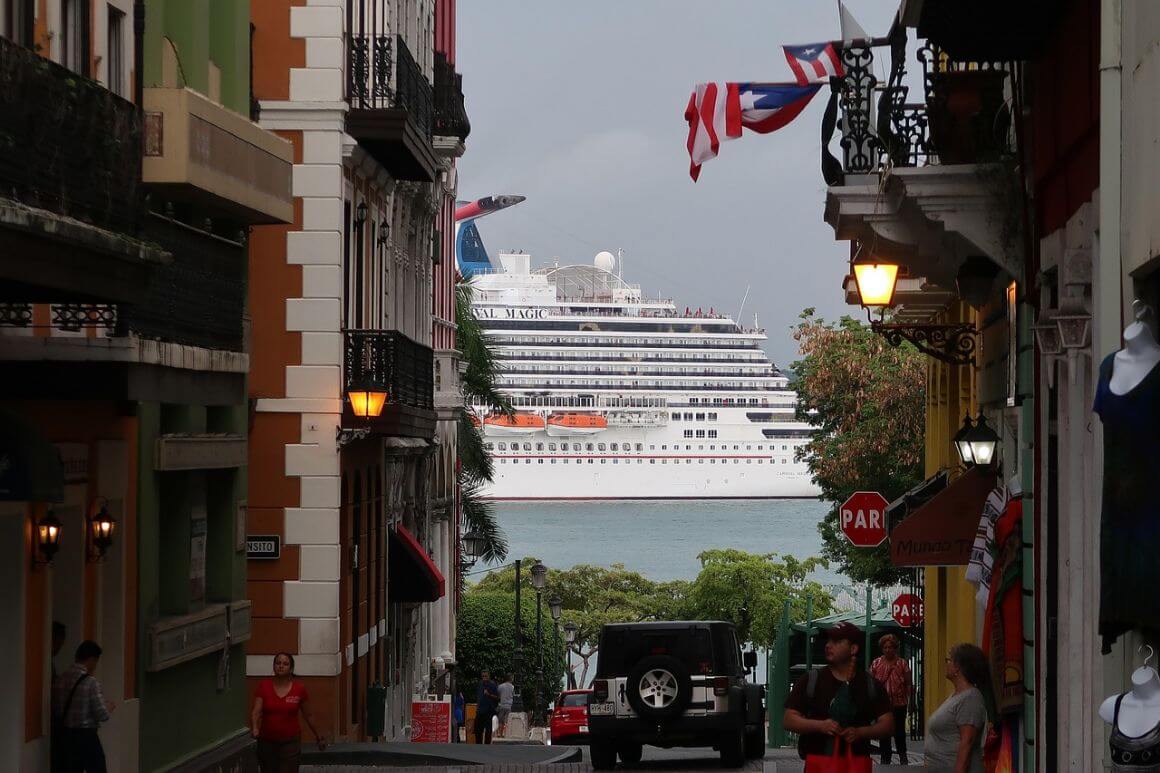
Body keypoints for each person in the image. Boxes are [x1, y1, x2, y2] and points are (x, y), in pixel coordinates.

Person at [783, 622, 894, 763]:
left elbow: (888, 725)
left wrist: (860, 732)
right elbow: (789, 720)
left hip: (855, 765)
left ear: (853, 648)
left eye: (837, 641)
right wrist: (821, 726)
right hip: (819, 766)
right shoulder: (811, 680)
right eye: (828, 641)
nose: (828, 645)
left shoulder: (869, 684)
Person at [250, 652, 326, 773]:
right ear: (273, 666)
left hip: (290, 742)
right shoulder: (264, 686)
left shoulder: (299, 689)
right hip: (267, 741)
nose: (281, 666)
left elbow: (309, 715)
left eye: (285, 664)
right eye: (278, 663)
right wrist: (254, 727)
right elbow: (256, 711)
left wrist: (318, 736)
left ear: (290, 669)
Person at [924, 643, 989, 773]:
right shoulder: (956, 696)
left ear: (958, 667)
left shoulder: (971, 698)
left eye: (949, 660)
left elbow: (967, 742)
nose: (946, 664)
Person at [53, 640, 114, 773]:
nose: (95, 666)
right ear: (92, 660)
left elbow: (57, 710)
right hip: (87, 737)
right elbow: (102, 715)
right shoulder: (91, 683)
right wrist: (109, 706)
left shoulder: (60, 679)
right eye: (96, 662)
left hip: (66, 737)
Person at [870, 633, 913, 765]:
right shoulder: (876, 663)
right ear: (882, 649)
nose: (888, 650)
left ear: (895, 648)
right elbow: (871, 683)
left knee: (899, 731)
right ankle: (885, 757)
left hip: (899, 703)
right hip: (882, 704)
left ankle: (902, 755)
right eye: (885, 647)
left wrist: (910, 701)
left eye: (890, 647)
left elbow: (908, 683)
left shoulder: (902, 663)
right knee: (884, 731)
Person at [474, 669, 500, 744]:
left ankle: (487, 745)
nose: (484, 678)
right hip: (480, 710)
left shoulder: (492, 685)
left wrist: (489, 695)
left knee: (488, 730)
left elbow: (498, 698)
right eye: (483, 676)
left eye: (486, 676)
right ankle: (478, 745)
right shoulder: (480, 684)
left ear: (489, 676)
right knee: (478, 730)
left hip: (489, 711)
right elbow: (478, 696)